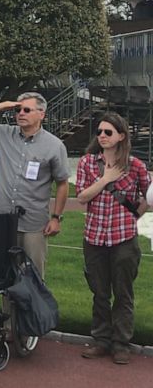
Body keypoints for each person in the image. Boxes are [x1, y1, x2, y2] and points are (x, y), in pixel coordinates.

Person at [75, 112, 150, 365]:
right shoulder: (87, 163)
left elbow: (146, 197)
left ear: (121, 136)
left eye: (108, 132)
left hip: (123, 238)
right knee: (99, 292)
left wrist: (133, 218)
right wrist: (106, 179)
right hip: (94, 236)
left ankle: (121, 343)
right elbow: (83, 196)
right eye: (99, 132)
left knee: (123, 292)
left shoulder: (135, 165)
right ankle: (101, 340)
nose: (103, 136)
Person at [0, 92, 69, 278]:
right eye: (17, 110)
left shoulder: (54, 146)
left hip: (33, 222)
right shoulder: (2, 133)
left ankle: (32, 308)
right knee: (2, 273)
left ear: (41, 114)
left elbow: (62, 183)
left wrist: (56, 217)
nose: (20, 114)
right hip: (0, 216)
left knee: (31, 275)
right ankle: (7, 308)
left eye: (26, 110)